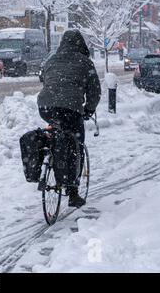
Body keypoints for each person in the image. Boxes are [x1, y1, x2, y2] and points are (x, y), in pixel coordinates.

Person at [37, 29, 101, 208]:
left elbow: (45, 79)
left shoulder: (52, 60)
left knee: (57, 132)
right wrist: (88, 110)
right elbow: (95, 92)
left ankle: (51, 158)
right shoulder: (85, 62)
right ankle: (73, 193)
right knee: (76, 144)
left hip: (46, 107)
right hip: (71, 109)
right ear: (81, 44)